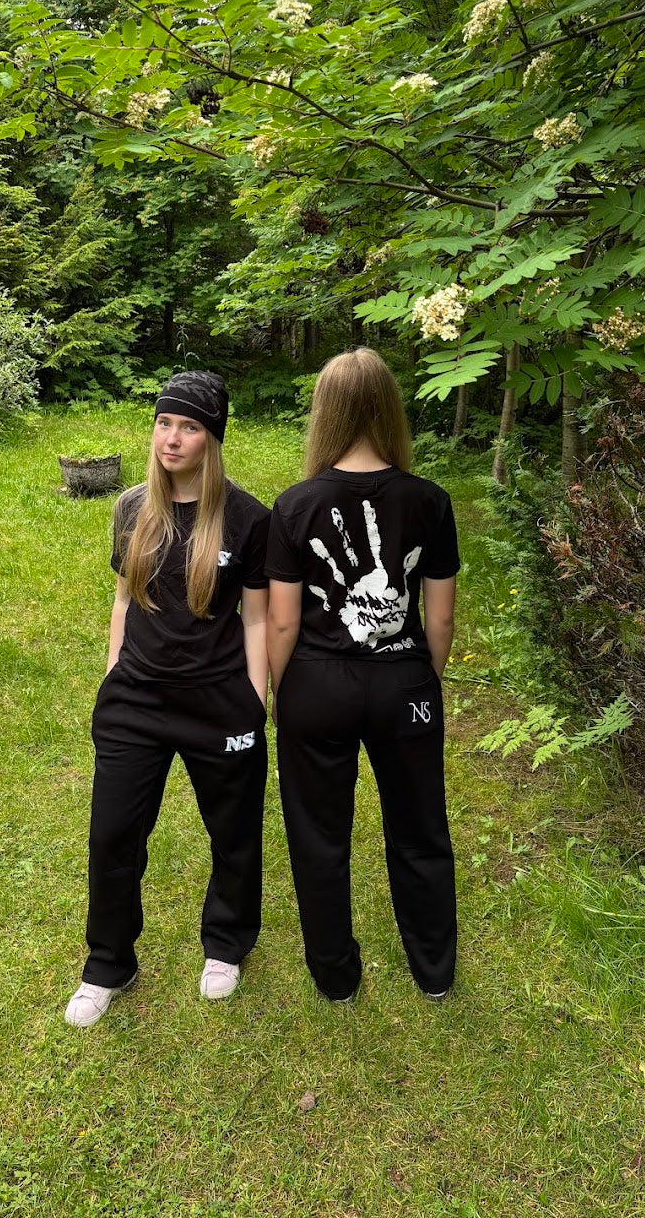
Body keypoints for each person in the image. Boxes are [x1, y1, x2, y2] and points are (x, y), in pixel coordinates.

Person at [66, 371, 270, 1028]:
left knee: (233, 834)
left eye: (189, 427)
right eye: (163, 423)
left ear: (213, 439)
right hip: (137, 701)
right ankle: (108, 962)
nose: (172, 438)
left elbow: (258, 619)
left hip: (220, 699)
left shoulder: (248, 518)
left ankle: (226, 943)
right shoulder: (132, 508)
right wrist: (112, 675)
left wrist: (256, 699)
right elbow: (123, 599)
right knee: (112, 836)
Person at [265, 348, 459, 1004]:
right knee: (420, 829)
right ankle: (433, 971)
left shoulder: (292, 506)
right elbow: (439, 619)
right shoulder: (430, 501)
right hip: (404, 685)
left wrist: (279, 693)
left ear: (324, 412)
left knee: (318, 836)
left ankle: (335, 976)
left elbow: (282, 623)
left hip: (316, 687)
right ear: (389, 410)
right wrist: (421, 680)